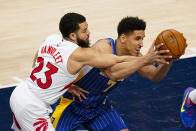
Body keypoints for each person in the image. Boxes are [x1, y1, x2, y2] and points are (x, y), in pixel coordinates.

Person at [9, 13, 156, 131]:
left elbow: (38, 53)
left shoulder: (52, 39)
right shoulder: (79, 54)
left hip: (21, 91)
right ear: (73, 35)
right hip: (33, 106)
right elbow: (111, 62)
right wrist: (144, 60)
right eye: (84, 30)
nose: (89, 33)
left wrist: (68, 85)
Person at [51, 16, 176, 131]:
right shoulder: (104, 46)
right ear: (123, 38)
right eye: (137, 39)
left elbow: (154, 75)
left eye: (142, 39)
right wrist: (145, 60)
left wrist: (168, 60)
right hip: (72, 105)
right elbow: (112, 72)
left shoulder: (137, 57)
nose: (141, 44)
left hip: (98, 108)